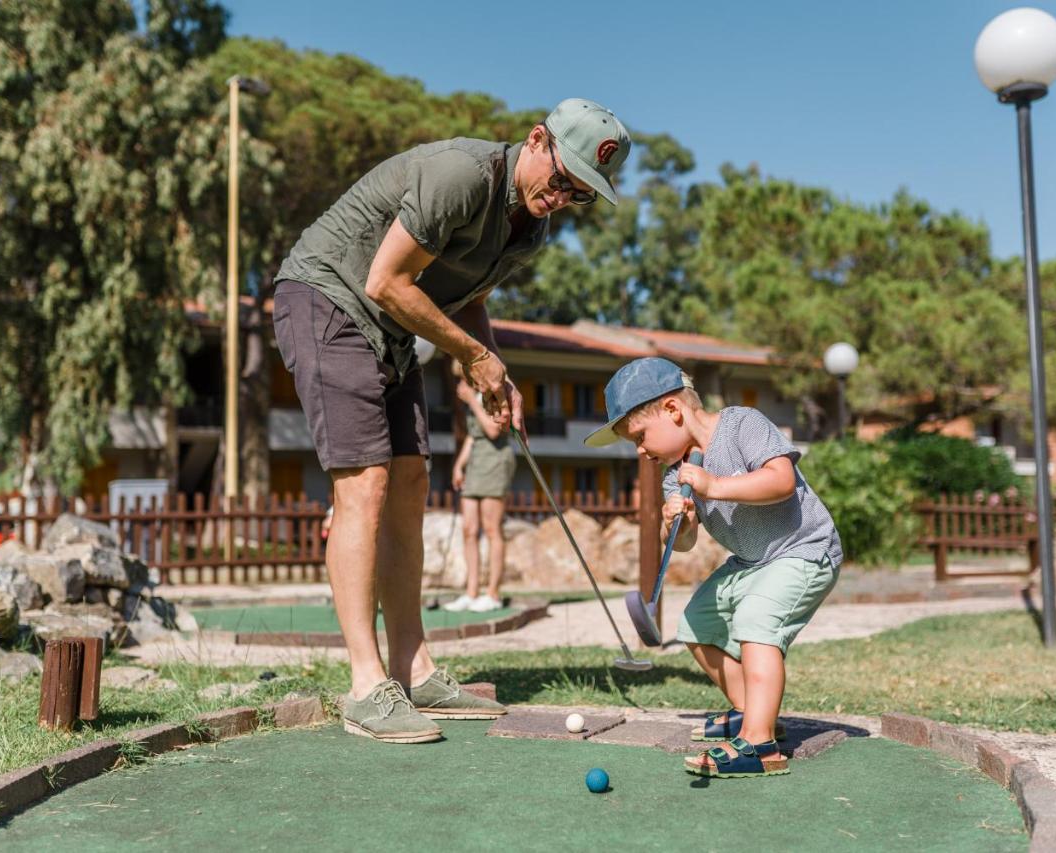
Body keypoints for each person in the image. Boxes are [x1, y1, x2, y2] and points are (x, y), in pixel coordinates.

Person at [272, 99, 632, 743]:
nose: (562, 197)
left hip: (392, 329)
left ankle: (414, 668)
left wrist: (490, 369)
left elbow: (471, 298)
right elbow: (386, 281)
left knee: (411, 482)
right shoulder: (460, 176)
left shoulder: (528, 229)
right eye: (562, 179)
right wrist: (474, 357)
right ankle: (364, 683)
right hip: (329, 299)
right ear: (537, 141)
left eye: (579, 194)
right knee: (366, 485)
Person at [585, 357, 842, 778]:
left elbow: (780, 480)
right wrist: (678, 524)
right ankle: (753, 715)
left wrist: (714, 486)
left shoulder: (741, 424)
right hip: (751, 561)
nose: (641, 450)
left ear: (672, 410)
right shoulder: (675, 474)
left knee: (757, 619)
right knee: (697, 622)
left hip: (804, 548)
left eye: (640, 437)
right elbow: (685, 544)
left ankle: (760, 747)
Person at [445, 361, 516, 613]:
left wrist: (473, 403)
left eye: (463, 378)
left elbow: (493, 431)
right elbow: (474, 437)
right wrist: (459, 465)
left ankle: (493, 594)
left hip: (496, 461)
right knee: (468, 529)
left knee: (491, 528)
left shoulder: (492, 396)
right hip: (476, 462)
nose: (460, 384)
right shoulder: (471, 399)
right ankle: (471, 592)